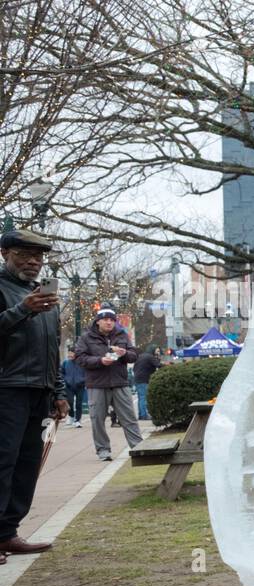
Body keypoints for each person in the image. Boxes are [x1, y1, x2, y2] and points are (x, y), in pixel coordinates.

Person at [0, 228, 69, 562]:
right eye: (24, 255)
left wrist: (58, 391)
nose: (33, 262)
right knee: (3, 462)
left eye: (39, 256)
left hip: (39, 391)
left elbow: (52, 348)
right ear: (5, 254)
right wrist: (22, 310)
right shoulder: (8, 292)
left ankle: (7, 533)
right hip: (7, 389)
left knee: (27, 464)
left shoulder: (46, 298)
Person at [74, 306, 143, 461]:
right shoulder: (86, 337)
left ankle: (138, 447)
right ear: (98, 321)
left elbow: (133, 356)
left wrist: (124, 353)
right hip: (97, 384)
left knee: (129, 417)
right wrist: (100, 361)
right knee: (97, 419)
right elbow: (80, 359)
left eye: (112, 320)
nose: (109, 323)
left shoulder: (122, 335)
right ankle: (103, 450)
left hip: (120, 382)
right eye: (105, 319)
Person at [133, 345, 162, 420]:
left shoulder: (142, 356)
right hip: (144, 379)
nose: (158, 352)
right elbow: (158, 365)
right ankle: (144, 415)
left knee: (141, 398)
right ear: (153, 350)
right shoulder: (150, 357)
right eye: (157, 351)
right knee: (144, 397)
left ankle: (141, 415)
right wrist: (160, 359)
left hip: (138, 378)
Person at [60, 346, 87, 428]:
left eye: (71, 353)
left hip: (80, 386)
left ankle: (78, 421)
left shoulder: (82, 363)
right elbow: (61, 373)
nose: (70, 354)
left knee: (79, 404)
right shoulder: (65, 363)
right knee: (70, 402)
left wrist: (83, 380)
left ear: (76, 354)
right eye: (69, 352)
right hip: (69, 387)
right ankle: (71, 417)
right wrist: (65, 380)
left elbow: (87, 374)